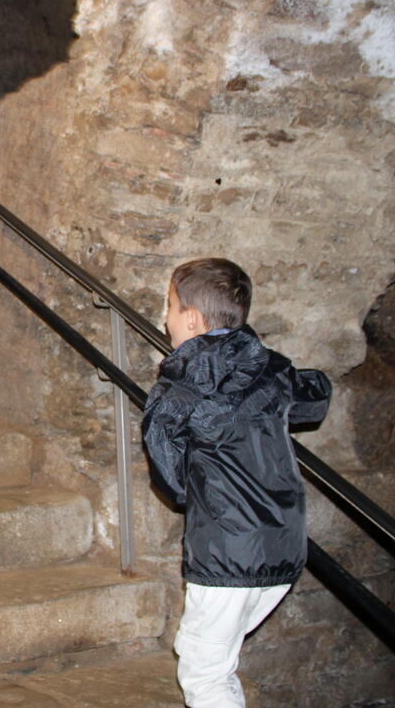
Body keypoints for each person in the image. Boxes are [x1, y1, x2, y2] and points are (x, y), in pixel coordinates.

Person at [141, 257, 331, 708]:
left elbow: (170, 472)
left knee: (203, 670)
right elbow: (314, 398)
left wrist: (196, 496)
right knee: (218, 659)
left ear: (190, 318)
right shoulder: (272, 368)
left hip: (227, 549)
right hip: (283, 541)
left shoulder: (179, 387)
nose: (164, 319)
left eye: (168, 307)